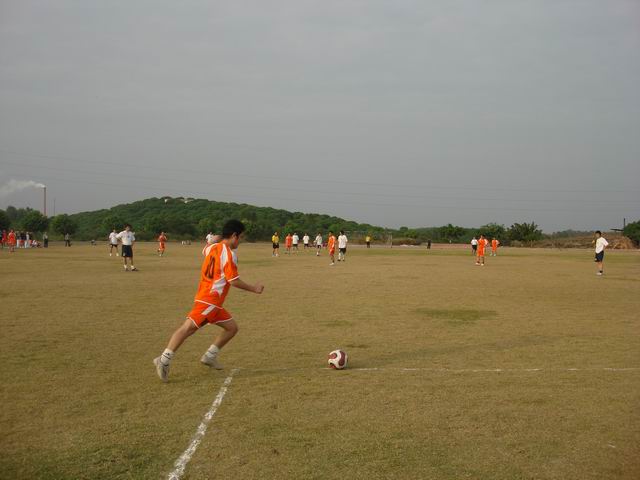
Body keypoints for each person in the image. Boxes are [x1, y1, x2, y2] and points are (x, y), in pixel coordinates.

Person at [153, 220, 264, 382]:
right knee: (187, 328)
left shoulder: (212, 248)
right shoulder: (229, 254)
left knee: (232, 328)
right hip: (209, 300)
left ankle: (209, 356)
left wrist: (215, 238)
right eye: (241, 237)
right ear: (234, 235)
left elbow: (206, 248)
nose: (241, 241)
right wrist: (254, 288)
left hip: (212, 302)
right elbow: (233, 280)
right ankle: (163, 360)